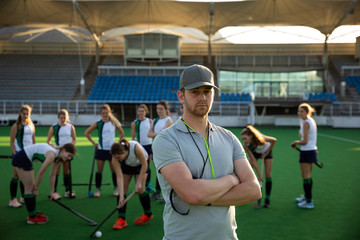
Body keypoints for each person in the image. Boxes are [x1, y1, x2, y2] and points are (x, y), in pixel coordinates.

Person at [152, 64, 261, 240]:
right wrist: (232, 179)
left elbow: (254, 190)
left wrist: (202, 197)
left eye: (207, 91)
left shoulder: (229, 137)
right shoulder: (166, 140)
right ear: (181, 96)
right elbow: (191, 193)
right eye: (195, 91)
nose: (202, 97)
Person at [12, 143, 76, 224]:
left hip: (25, 158)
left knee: (30, 188)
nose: (69, 158)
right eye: (69, 155)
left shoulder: (58, 158)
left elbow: (52, 175)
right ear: (63, 150)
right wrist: (36, 189)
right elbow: (40, 173)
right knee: (30, 189)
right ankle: (32, 218)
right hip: (21, 158)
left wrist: (52, 192)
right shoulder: (52, 155)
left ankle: (33, 213)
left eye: (71, 157)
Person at [111, 139, 153, 230]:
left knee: (141, 189)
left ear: (125, 151)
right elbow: (119, 177)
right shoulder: (115, 159)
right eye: (115, 157)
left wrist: (138, 183)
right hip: (127, 166)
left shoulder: (135, 148)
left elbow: (145, 166)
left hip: (141, 166)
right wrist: (121, 196)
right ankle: (121, 219)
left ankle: (148, 214)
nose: (117, 159)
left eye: (118, 157)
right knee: (122, 190)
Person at [85, 104, 125, 197]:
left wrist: (117, 144)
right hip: (101, 150)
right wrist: (93, 143)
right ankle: (98, 189)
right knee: (99, 170)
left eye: (106, 113)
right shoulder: (98, 123)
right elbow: (87, 132)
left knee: (113, 169)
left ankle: (116, 188)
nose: (105, 115)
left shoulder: (114, 122)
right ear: (101, 114)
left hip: (111, 151)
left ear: (109, 113)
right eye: (103, 113)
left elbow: (122, 133)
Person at [240, 125, 277, 208]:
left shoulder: (261, 138)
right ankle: (243, 196)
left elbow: (274, 140)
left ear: (251, 136)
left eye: (245, 138)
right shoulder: (246, 146)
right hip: (255, 153)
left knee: (268, 174)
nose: (244, 141)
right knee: (247, 170)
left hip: (266, 151)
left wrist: (266, 153)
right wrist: (259, 176)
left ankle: (267, 199)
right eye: (243, 139)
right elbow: (253, 161)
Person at [291, 103, 317, 209]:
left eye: (302, 111)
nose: (299, 113)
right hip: (312, 151)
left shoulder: (306, 123)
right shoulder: (310, 121)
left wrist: (295, 142)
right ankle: (307, 197)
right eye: (298, 111)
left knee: (305, 177)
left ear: (307, 112)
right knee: (308, 176)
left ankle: (309, 202)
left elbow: (304, 141)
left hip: (307, 151)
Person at [9, 105, 35, 208]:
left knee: (25, 177)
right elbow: (11, 141)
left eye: (27, 113)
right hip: (19, 154)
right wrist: (14, 153)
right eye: (23, 113)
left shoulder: (31, 125)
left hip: (28, 154)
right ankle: (13, 199)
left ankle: (23, 196)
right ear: (20, 114)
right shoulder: (16, 126)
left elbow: (33, 139)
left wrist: (34, 152)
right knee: (16, 176)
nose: (25, 115)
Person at [46, 109, 77, 198]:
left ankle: (68, 191)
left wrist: (70, 146)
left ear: (67, 118)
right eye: (61, 118)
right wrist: (55, 147)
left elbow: (74, 139)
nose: (63, 119)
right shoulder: (54, 127)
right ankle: (53, 191)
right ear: (58, 118)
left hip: (67, 153)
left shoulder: (70, 127)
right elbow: (48, 141)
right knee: (56, 171)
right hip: (58, 152)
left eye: (64, 118)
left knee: (66, 171)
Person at [147, 100, 173, 201]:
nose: (159, 111)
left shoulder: (168, 120)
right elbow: (148, 134)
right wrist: (156, 134)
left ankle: (167, 194)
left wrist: (155, 134)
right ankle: (158, 193)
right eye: (158, 109)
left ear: (166, 110)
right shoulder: (155, 120)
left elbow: (163, 134)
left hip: (165, 149)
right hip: (155, 148)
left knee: (165, 172)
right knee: (159, 171)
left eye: (161, 109)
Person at [131, 104, 154, 193]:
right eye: (139, 111)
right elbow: (133, 137)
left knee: (148, 166)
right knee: (140, 166)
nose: (140, 113)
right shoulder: (134, 123)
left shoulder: (150, 121)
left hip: (149, 145)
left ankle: (148, 184)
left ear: (146, 112)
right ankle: (140, 183)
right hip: (140, 147)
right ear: (137, 112)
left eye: (142, 111)